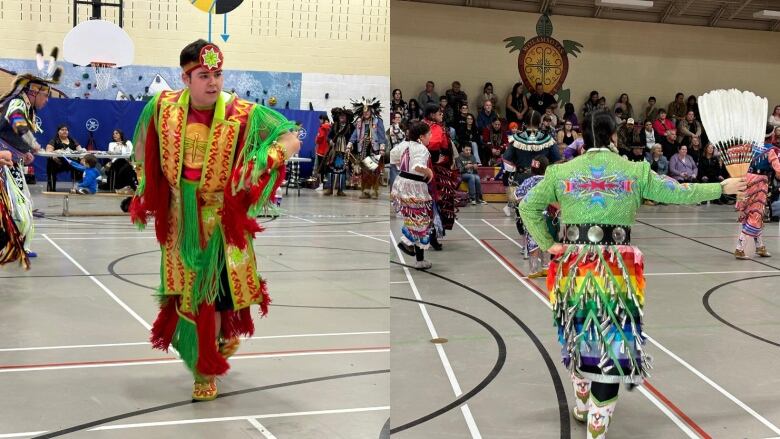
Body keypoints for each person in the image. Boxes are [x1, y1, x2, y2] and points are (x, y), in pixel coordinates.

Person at [518, 108, 745, 439]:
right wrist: (722, 188)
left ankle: (583, 402)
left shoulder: (560, 172)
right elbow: (679, 192)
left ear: (584, 136)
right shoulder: (635, 171)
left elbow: (527, 206)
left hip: (573, 265)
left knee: (579, 330)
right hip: (615, 269)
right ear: (614, 136)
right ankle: (596, 425)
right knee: (611, 341)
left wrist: (549, 244)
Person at [128, 40, 302, 401]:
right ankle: (215, 346)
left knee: (211, 294)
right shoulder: (162, 107)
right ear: (186, 77)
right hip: (180, 219)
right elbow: (144, 142)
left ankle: (206, 369)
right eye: (204, 75)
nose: (213, 82)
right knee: (189, 293)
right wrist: (145, 182)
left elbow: (290, 138)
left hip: (221, 220)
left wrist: (264, 159)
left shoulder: (243, 112)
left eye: (218, 74)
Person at [0, 45, 60, 265]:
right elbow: (16, 122)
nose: (47, 100)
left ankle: (17, 245)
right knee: (15, 207)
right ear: (33, 92)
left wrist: (24, 153)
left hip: (11, 163)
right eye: (46, 95)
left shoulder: (28, 108)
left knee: (22, 205)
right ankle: (12, 245)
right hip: (2, 164)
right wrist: (33, 145)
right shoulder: (17, 104)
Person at [391, 121, 434, 270]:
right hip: (414, 186)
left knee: (416, 220)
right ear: (421, 137)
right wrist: (428, 172)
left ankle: (419, 259)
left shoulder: (404, 144)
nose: (431, 136)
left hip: (401, 183)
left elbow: (392, 156)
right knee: (421, 220)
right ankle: (406, 242)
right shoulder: (421, 149)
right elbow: (417, 166)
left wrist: (403, 165)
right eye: (429, 134)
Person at [734, 141, 780, 259]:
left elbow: (732, 154)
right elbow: (778, 170)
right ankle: (740, 247)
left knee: (749, 213)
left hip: (745, 179)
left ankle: (760, 247)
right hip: (759, 182)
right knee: (756, 214)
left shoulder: (749, 146)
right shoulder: (770, 149)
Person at [423, 103, 458, 247]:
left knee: (426, 203)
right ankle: (434, 234)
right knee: (439, 201)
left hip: (422, 170)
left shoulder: (421, 125)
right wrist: (437, 158)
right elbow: (435, 143)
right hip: (437, 171)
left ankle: (427, 234)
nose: (441, 115)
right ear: (432, 115)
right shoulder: (435, 128)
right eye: (439, 113)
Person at [514, 155, 552, 278]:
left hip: (532, 218)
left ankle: (533, 270)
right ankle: (546, 267)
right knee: (546, 240)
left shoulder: (528, 182)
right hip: (548, 216)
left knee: (533, 241)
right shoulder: (550, 181)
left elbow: (517, 197)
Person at [348, 98, 386, 199]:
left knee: (374, 170)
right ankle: (365, 191)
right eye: (364, 111)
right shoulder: (359, 122)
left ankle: (374, 191)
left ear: (371, 111)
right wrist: (350, 144)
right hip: (363, 148)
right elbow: (355, 134)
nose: (366, 113)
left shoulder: (377, 121)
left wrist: (382, 148)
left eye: (368, 111)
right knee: (365, 171)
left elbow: (382, 135)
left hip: (374, 148)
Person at [45, 124, 84, 192]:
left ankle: (78, 187)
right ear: (58, 132)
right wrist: (54, 154)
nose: (64, 131)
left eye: (66, 130)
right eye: (62, 130)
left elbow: (80, 150)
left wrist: (82, 156)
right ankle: (51, 187)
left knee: (81, 163)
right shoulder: (54, 140)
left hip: (72, 163)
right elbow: (48, 151)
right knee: (50, 163)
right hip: (58, 163)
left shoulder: (72, 140)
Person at [325, 107, 353, 196]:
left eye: (344, 116)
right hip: (334, 152)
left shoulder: (350, 127)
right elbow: (328, 136)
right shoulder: (334, 125)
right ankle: (329, 189)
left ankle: (340, 190)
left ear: (347, 117)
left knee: (342, 171)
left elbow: (353, 138)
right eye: (340, 116)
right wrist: (330, 141)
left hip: (344, 152)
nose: (342, 118)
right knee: (330, 170)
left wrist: (350, 146)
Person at [386, 111, 405, 189]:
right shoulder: (394, 127)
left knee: (397, 172)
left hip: (400, 153)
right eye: (395, 117)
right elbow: (401, 137)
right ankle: (394, 192)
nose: (397, 119)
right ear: (392, 119)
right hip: (395, 153)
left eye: (399, 117)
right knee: (395, 173)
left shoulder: (401, 126)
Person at [313, 113, 331, 190]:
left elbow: (320, 137)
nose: (319, 121)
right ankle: (326, 184)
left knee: (320, 168)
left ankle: (321, 185)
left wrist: (316, 139)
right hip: (328, 150)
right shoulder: (331, 126)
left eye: (320, 119)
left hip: (321, 150)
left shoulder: (322, 127)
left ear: (323, 119)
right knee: (327, 168)